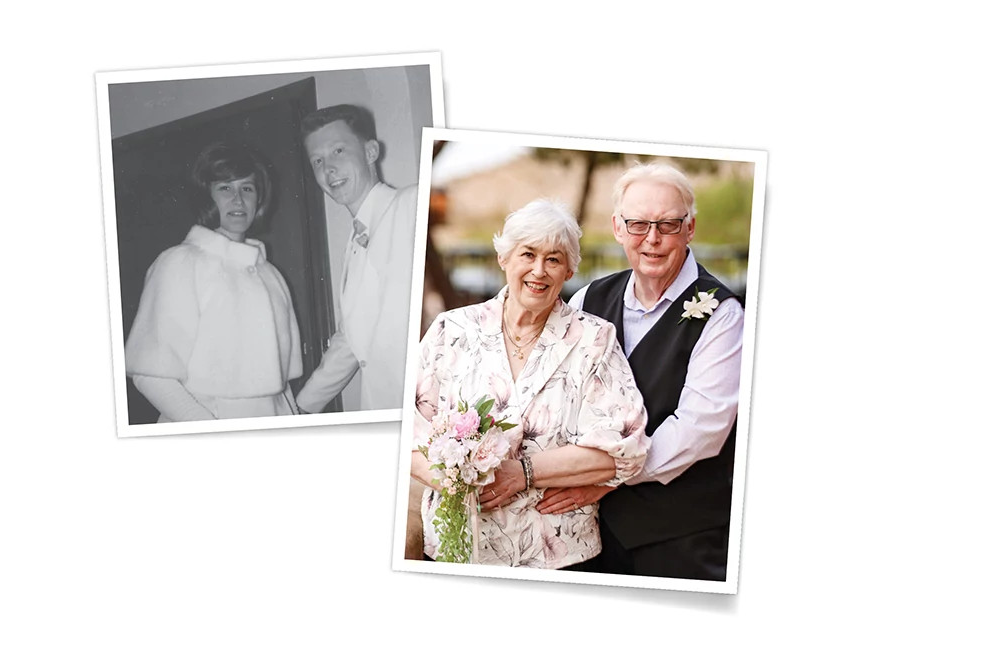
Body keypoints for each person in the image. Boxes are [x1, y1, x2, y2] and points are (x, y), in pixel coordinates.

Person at [411, 199, 650, 569]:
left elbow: (626, 450)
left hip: (557, 555)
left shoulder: (594, 340)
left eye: (554, 259)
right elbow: (405, 428)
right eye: (528, 254)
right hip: (457, 550)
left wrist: (523, 473)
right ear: (504, 258)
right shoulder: (451, 330)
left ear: (569, 270)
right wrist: (454, 481)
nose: (539, 271)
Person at [567, 162, 744, 581]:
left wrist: (606, 475)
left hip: (683, 540)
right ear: (617, 227)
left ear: (690, 228)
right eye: (639, 224)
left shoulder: (723, 315)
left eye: (667, 224)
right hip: (591, 534)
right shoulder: (588, 298)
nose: (652, 239)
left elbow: (699, 429)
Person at [124, 142, 303, 421]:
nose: (238, 200)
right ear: (207, 197)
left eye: (247, 188)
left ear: (259, 200)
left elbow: (280, 388)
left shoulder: (271, 274)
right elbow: (150, 375)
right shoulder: (180, 262)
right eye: (225, 188)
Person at [294, 104, 418, 413]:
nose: (328, 169)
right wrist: (303, 406)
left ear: (371, 151)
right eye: (318, 161)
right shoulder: (353, 241)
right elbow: (352, 338)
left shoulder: (413, 203)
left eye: (338, 151)